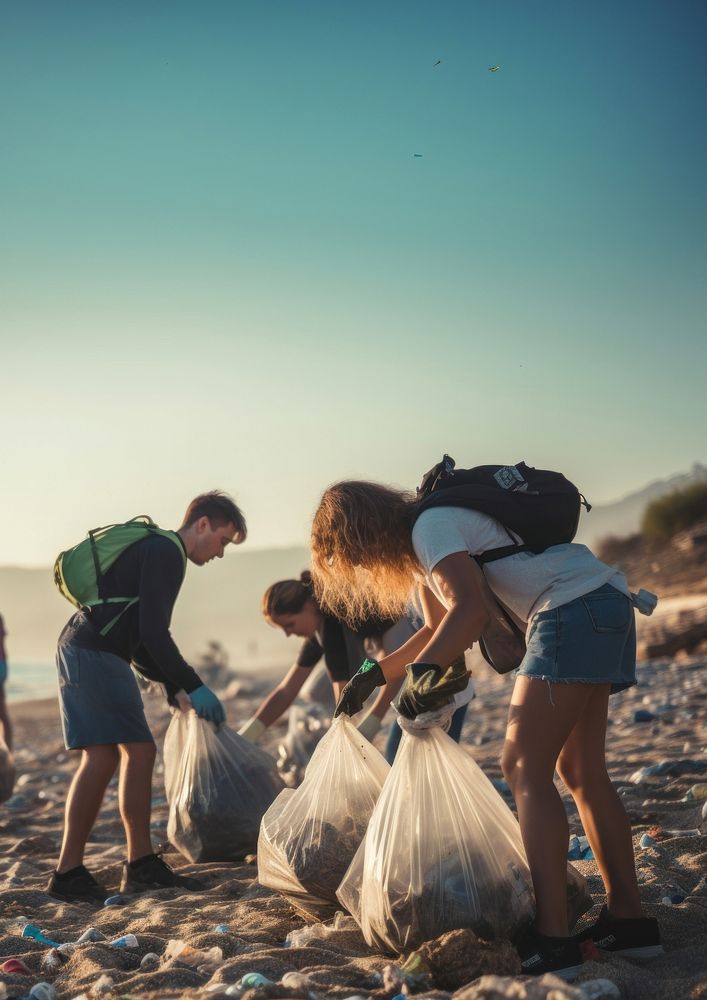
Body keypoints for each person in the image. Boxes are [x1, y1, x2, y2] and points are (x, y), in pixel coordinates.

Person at [311, 479, 662, 980]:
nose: (363, 570)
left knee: (522, 767)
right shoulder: (432, 539)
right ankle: (629, 923)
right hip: (601, 600)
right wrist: (376, 674)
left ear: (361, 535)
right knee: (581, 770)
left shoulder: (430, 528)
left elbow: (469, 613)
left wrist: (423, 678)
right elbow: (438, 629)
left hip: (567, 611)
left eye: (354, 558)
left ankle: (553, 936)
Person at [48, 491, 246, 904]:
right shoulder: (166, 552)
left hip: (86, 648)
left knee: (112, 755)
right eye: (223, 541)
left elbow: (138, 635)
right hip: (95, 653)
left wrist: (169, 683)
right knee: (131, 752)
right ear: (203, 524)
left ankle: (87, 869)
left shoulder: (156, 548)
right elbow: (155, 632)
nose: (221, 553)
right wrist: (193, 684)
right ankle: (128, 867)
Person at [237, 571, 413, 744]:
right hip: (389, 644)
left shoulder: (333, 626)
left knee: (402, 727)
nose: (288, 634)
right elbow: (287, 690)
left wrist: (368, 724)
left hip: (409, 625)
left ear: (308, 606)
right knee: (316, 694)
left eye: (289, 625)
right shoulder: (318, 627)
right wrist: (248, 734)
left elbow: (348, 687)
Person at [0, 613, 12, 751]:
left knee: (2, 714)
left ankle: (7, 753)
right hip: (2, 665)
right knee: (2, 713)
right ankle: (9, 751)